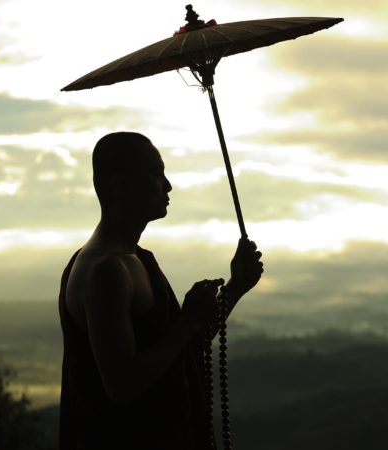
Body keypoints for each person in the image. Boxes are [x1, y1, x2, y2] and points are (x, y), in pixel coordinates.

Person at [58, 132, 263, 449]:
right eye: (155, 174)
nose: (167, 186)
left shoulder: (135, 259)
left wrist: (236, 287)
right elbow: (122, 384)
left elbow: (175, 348)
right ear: (120, 184)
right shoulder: (106, 272)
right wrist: (187, 322)